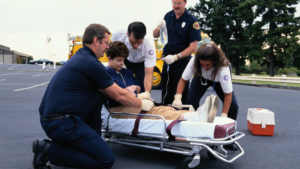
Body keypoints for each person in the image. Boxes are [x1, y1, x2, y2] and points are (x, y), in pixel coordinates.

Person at [32, 24, 154, 169]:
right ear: (96, 41)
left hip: (53, 119)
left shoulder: (79, 58)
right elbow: (118, 95)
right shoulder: (91, 64)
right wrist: (141, 103)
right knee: (105, 160)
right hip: (63, 123)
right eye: (106, 43)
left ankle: (62, 146)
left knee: (96, 99)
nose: (108, 47)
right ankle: (49, 150)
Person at [101, 41, 219, 125]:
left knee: (164, 108)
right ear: (109, 59)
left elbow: (137, 86)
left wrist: (135, 88)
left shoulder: (126, 72)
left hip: (132, 102)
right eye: (118, 60)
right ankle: (196, 117)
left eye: (123, 60)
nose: (121, 63)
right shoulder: (106, 74)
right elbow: (118, 95)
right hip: (118, 109)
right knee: (155, 111)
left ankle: (197, 114)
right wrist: (137, 96)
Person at [172, 43, 239, 121]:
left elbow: (228, 94)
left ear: (215, 61)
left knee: (233, 106)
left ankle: (229, 127)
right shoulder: (194, 60)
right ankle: (194, 124)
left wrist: (224, 115)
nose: (205, 67)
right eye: (202, 64)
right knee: (190, 102)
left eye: (208, 64)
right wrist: (178, 97)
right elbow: (183, 80)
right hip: (200, 78)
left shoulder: (223, 67)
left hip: (218, 82)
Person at [153, 0, 202, 104]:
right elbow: (155, 35)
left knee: (182, 96)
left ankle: (182, 117)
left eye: (179, 3)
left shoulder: (192, 21)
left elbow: (193, 47)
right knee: (166, 94)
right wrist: (158, 27)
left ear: (185, 2)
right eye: (174, 3)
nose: (176, 6)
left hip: (182, 63)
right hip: (167, 61)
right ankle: (166, 116)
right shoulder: (168, 16)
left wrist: (176, 57)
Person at [111, 22, 156, 98]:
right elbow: (112, 51)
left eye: (139, 42)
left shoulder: (149, 46)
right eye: (132, 42)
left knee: (142, 90)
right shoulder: (119, 34)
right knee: (124, 86)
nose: (135, 46)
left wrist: (147, 93)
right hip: (126, 60)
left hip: (141, 64)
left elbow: (148, 74)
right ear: (127, 34)